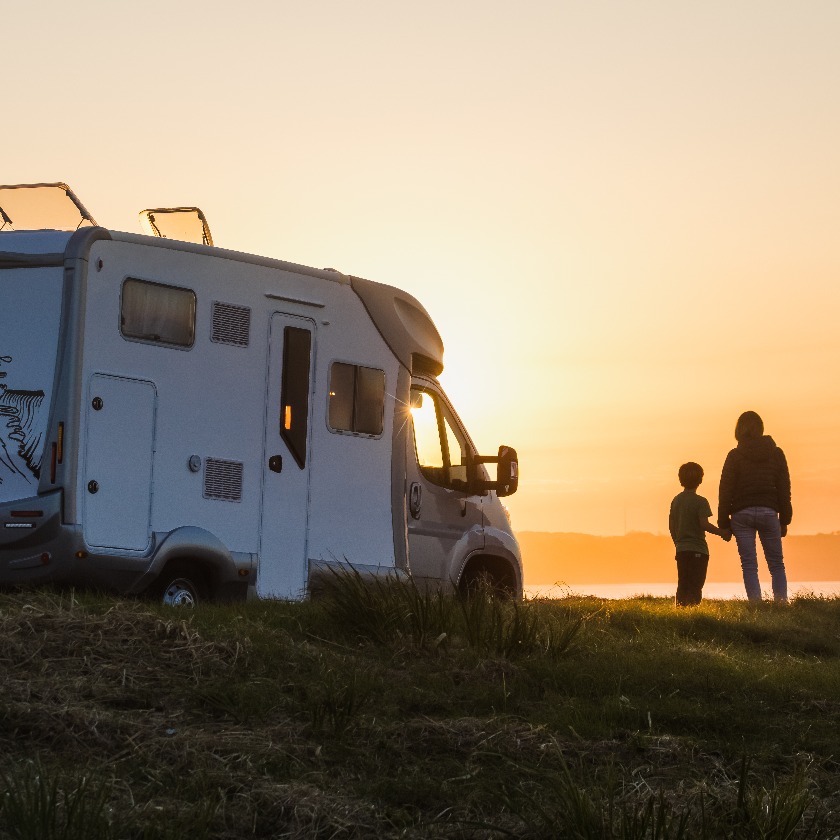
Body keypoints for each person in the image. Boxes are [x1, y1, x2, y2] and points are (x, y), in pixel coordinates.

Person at [718, 411, 792, 602]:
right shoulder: (776, 453)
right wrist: (785, 520)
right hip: (769, 511)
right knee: (776, 564)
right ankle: (781, 603)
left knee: (749, 564)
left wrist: (723, 522)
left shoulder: (734, 456)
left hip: (741, 513)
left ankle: (756, 605)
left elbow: (725, 489)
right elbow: (784, 488)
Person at [669, 462, 731, 606]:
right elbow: (704, 524)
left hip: (682, 549)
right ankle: (693, 611)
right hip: (698, 549)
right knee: (696, 584)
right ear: (700, 480)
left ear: (680, 479)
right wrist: (722, 532)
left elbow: (671, 526)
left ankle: (680, 610)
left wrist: (677, 543)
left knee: (683, 582)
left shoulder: (676, 500)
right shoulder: (701, 502)